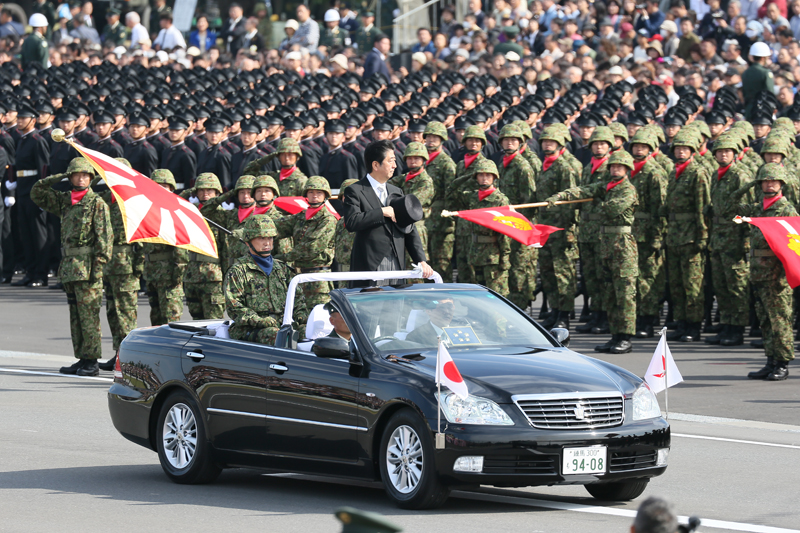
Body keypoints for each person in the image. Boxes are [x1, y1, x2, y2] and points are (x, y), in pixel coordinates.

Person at [547, 150, 639, 354]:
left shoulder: (627, 190)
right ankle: (615, 335)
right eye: (613, 166)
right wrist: (562, 195)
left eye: (619, 167)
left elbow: (609, 210)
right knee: (609, 292)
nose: (615, 169)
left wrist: (594, 201)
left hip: (623, 245)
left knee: (624, 293)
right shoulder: (606, 187)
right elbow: (584, 191)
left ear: (626, 169)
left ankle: (625, 336)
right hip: (605, 243)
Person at [31, 158, 112, 376]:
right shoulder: (65, 200)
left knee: (89, 317)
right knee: (76, 316)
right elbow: (37, 192)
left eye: (85, 175)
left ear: (91, 179)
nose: (81, 178)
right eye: (76, 174)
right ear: (70, 178)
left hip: (88, 269)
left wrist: (98, 270)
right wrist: (59, 176)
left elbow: (104, 241)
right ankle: (82, 358)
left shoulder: (97, 204)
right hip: (69, 268)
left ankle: (92, 361)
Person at [732, 163, 796, 381]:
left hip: (776, 275)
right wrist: (750, 183)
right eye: (765, 181)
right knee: (765, 320)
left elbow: (792, 244)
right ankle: (770, 361)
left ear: (781, 184)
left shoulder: (786, 210)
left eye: (773, 181)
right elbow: (731, 206)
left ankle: (782, 363)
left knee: (780, 320)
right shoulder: (758, 208)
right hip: (759, 272)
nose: (769, 184)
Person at [342, 140, 433, 285]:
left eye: (395, 161)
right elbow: (352, 221)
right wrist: (381, 212)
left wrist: (421, 260)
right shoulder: (355, 190)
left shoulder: (396, 191)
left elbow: (410, 228)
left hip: (397, 260)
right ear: (375, 165)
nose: (395, 166)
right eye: (390, 161)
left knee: (396, 305)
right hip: (371, 263)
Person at [224, 215, 309, 345]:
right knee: (276, 335)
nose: (267, 243)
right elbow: (234, 307)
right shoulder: (238, 270)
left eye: (270, 238)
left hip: (283, 323)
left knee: (310, 331)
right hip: (250, 328)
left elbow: (297, 298)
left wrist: (301, 316)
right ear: (248, 242)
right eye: (261, 238)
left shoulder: (282, 268)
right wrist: (258, 320)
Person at [662, 129, 711, 342]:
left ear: (692, 150)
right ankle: (681, 323)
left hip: (691, 235)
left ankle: (693, 325)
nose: (680, 152)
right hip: (674, 235)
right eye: (678, 148)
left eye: (685, 148)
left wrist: (702, 236)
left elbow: (703, 207)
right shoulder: (674, 172)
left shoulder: (697, 173)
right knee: (676, 282)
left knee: (693, 284)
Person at [705, 133, 754, 346]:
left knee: (737, 286)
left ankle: (737, 329)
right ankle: (726, 324)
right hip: (718, 238)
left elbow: (745, 212)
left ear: (734, 153)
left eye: (727, 151)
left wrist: (737, 231)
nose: (723, 154)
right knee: (721, 285)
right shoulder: (718, 174)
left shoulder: (739, 175)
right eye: (720, 151)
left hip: (733, 239)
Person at [627, 129, 668, 339]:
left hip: (648, 232)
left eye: (642, 147)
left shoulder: (655, 172)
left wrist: (657, 236)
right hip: (630, 231)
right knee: (633, 277)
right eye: (635, 146)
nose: (638, 149)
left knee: (648, 277)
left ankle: (648, 319)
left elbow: (660, 208)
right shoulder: (628, 170)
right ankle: (636, 317)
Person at [451, 158, 511, 296]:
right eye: (481, 175)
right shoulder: (472, 197)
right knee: (480, 295)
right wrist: (468, 176)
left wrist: (505, 257)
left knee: (496, 294)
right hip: (476, 253)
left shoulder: (500, 200)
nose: (484, 178)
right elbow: (451, 192)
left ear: (494, 177)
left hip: (493, 254)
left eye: (488, 175)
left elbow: (505, 233)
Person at [274, 176, 337, 306]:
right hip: (299, 277)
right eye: (311, 192)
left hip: (318, 279)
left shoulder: (328, 220)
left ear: (325, 195)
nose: (314, 195)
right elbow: (277, 226)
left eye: (319, 192)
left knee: (318, 320)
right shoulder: (300, 217)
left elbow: (312, 247)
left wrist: (283, 257)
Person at [11, 103, 50, 288]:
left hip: (34, 192)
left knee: (38, 234)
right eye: (18, 118)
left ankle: (40, 274)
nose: (19, 121)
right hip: (22, 191)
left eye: (23, 118)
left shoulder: (37, 140)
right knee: (26, 234)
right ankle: (30, 271)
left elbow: (43, 169)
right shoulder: (22, 140)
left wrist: (42, 195)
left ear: (32, 121)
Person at [142, 170, 188, 325]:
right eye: (157, 186)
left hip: (169, 274)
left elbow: (181, 248)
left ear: (171, 189)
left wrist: (178, 274)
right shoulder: (148, 211)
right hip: (152, 273)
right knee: (156, 320)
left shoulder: (175, 211)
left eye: (164, 186)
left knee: (170, 321)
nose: (160, 190)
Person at [423, 121, 457, 281]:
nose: (431, 140)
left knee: (442, 264)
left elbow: (451, 193)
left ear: (442, 139)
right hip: (425, 220)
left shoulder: (446, 163)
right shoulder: (422, 161)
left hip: (441, 222)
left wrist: (448, 220)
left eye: (435, 137)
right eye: (428, 137)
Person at [390, 142, 435, 260]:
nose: (412, 161)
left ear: (423, 159)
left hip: (416, 227)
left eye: (416, 158)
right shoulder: (403, 178)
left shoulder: (425, 181)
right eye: (409, 158)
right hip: (400, 226)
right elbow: (385, 185)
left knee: (416, 267)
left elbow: (410, 205)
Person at [742, 42, 775, 118]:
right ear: (763, 58)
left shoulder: (745, 73)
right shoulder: (765, 72)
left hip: (749, 109)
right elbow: (770, 94)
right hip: (762, 110)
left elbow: (744, 92)